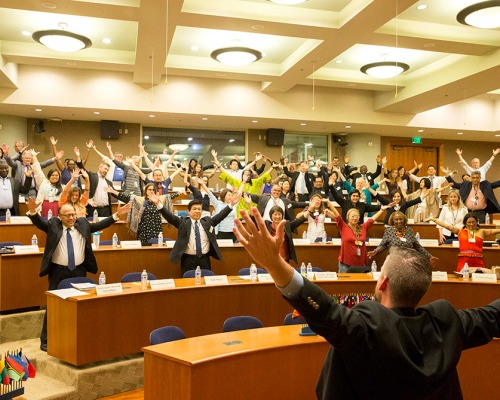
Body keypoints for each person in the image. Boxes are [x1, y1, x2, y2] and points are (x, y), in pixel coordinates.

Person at [232, 210, 500, 400]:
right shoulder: (448, 324)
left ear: (382, 283)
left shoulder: (366, 328)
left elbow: (324, 310)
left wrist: (274, 264)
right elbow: (493, 315)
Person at [26, 197, 131, 352]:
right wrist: (33, 211)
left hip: (79, 270)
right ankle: (46, 340)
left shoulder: (82, 224)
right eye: (67, 215)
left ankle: (79, 337)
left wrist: (116, 216)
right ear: (59, 217)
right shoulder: (53, 224)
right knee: (54, 305)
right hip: (58, 271)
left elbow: (99, 225)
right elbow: (39, 223)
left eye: (73, 214)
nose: (71, 218)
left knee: (81, 304)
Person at [151, 196, 240, 275]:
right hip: (188, 259)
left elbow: (220, 216)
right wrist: (158, 204)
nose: (197, 211)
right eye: (194, 209)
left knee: (205, 284)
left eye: (199, 209)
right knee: (188, 284)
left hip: (204, 259)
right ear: (189, 211)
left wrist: (231, 205)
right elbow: (170, 217)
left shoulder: (208, 222)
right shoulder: (183, 223)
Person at [329, 202, 388, 272]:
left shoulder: (363, 227)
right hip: (345, 264)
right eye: (353, 216)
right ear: (348, 217)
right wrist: (328, 202)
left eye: (357, 216)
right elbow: (337, 215)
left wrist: (381, 210)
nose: (355, 218)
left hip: (360, 263)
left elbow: (371, 220)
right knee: (345, 283)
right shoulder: (343, 227)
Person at [431, 213, 500, 273]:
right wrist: (433, 219)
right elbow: (446, 226)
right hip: (463, 261)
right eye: (469, 222)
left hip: (478, 261)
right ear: (465, 223)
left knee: (479, 280)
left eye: (473, 222)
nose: (471, 224)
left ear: (477, 222)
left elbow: (495, 231)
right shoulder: (460, 231)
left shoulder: (482, 231)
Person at [367, 211, 435, 261]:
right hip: (393, 260)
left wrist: (429, 256)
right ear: (393, 221)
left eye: (400, 219)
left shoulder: (409, 230)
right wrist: (376, 251)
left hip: (408, 259)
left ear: (404, 220)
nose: (399, 221)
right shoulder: (389, 231)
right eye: (396, 219)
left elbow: (417, 245)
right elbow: (383, 245)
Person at [31, 150, 65, 217]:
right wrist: (34, 156)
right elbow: (37, 170)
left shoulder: (62, 187)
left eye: (56, 175)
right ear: (49, 176)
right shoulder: (43, 182)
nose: (54, 177)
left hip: (57, 207)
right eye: (53, 175)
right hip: (45, 206)